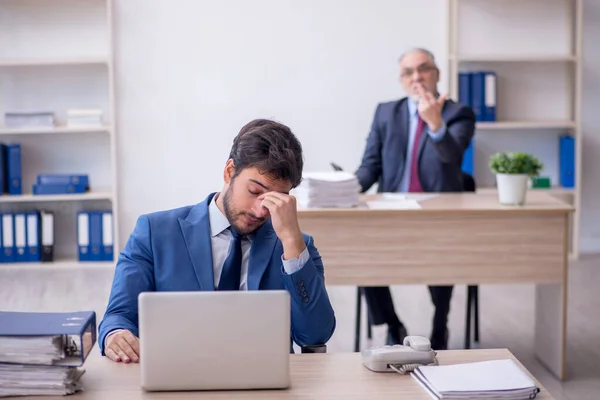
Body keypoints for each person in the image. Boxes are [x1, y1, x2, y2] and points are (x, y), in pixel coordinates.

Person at [98, 119, 337, 363]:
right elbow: (118, 316)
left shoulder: (296, 247)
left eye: (275, 199)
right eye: (255, 192)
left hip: (265, 382)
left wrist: (291, 241)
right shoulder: (154, 231)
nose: (260, 210)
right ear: (229, 171)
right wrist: (116, 336)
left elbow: (314, 335)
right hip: (179, 377)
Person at [354, 48, 475, 350]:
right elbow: (371, 165)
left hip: (439, 213)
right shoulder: (386, 112)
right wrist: (344, 188)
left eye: (424, 69)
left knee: (443, 254)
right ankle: (393, 325)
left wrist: (435, 123)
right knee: (361, 253)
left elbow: (452, 156)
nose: (417, 77)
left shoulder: (458, 113)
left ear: (437, 74)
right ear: (401, 80)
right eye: (408, 72)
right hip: (392, 211)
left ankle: (440, 324)